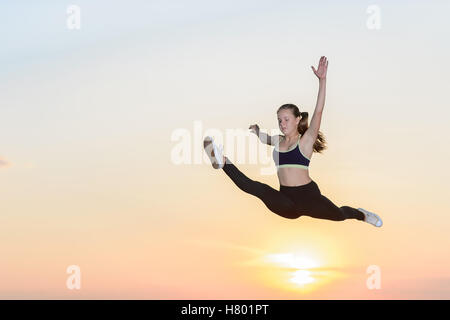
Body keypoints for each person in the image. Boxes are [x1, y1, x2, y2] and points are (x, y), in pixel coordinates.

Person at [203, 56, 382, 227]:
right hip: (286, 202)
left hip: (309, 198)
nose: (282, 123)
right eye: (279, 120)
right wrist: (258, 132)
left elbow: (318, 111)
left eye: (286, 119)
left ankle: (362, 215)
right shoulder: (278, 141)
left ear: (297, 119)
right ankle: (223, 162)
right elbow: (266, 139)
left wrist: (322, 80)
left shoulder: (306, 141)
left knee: (339, 215)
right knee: (257, 189)